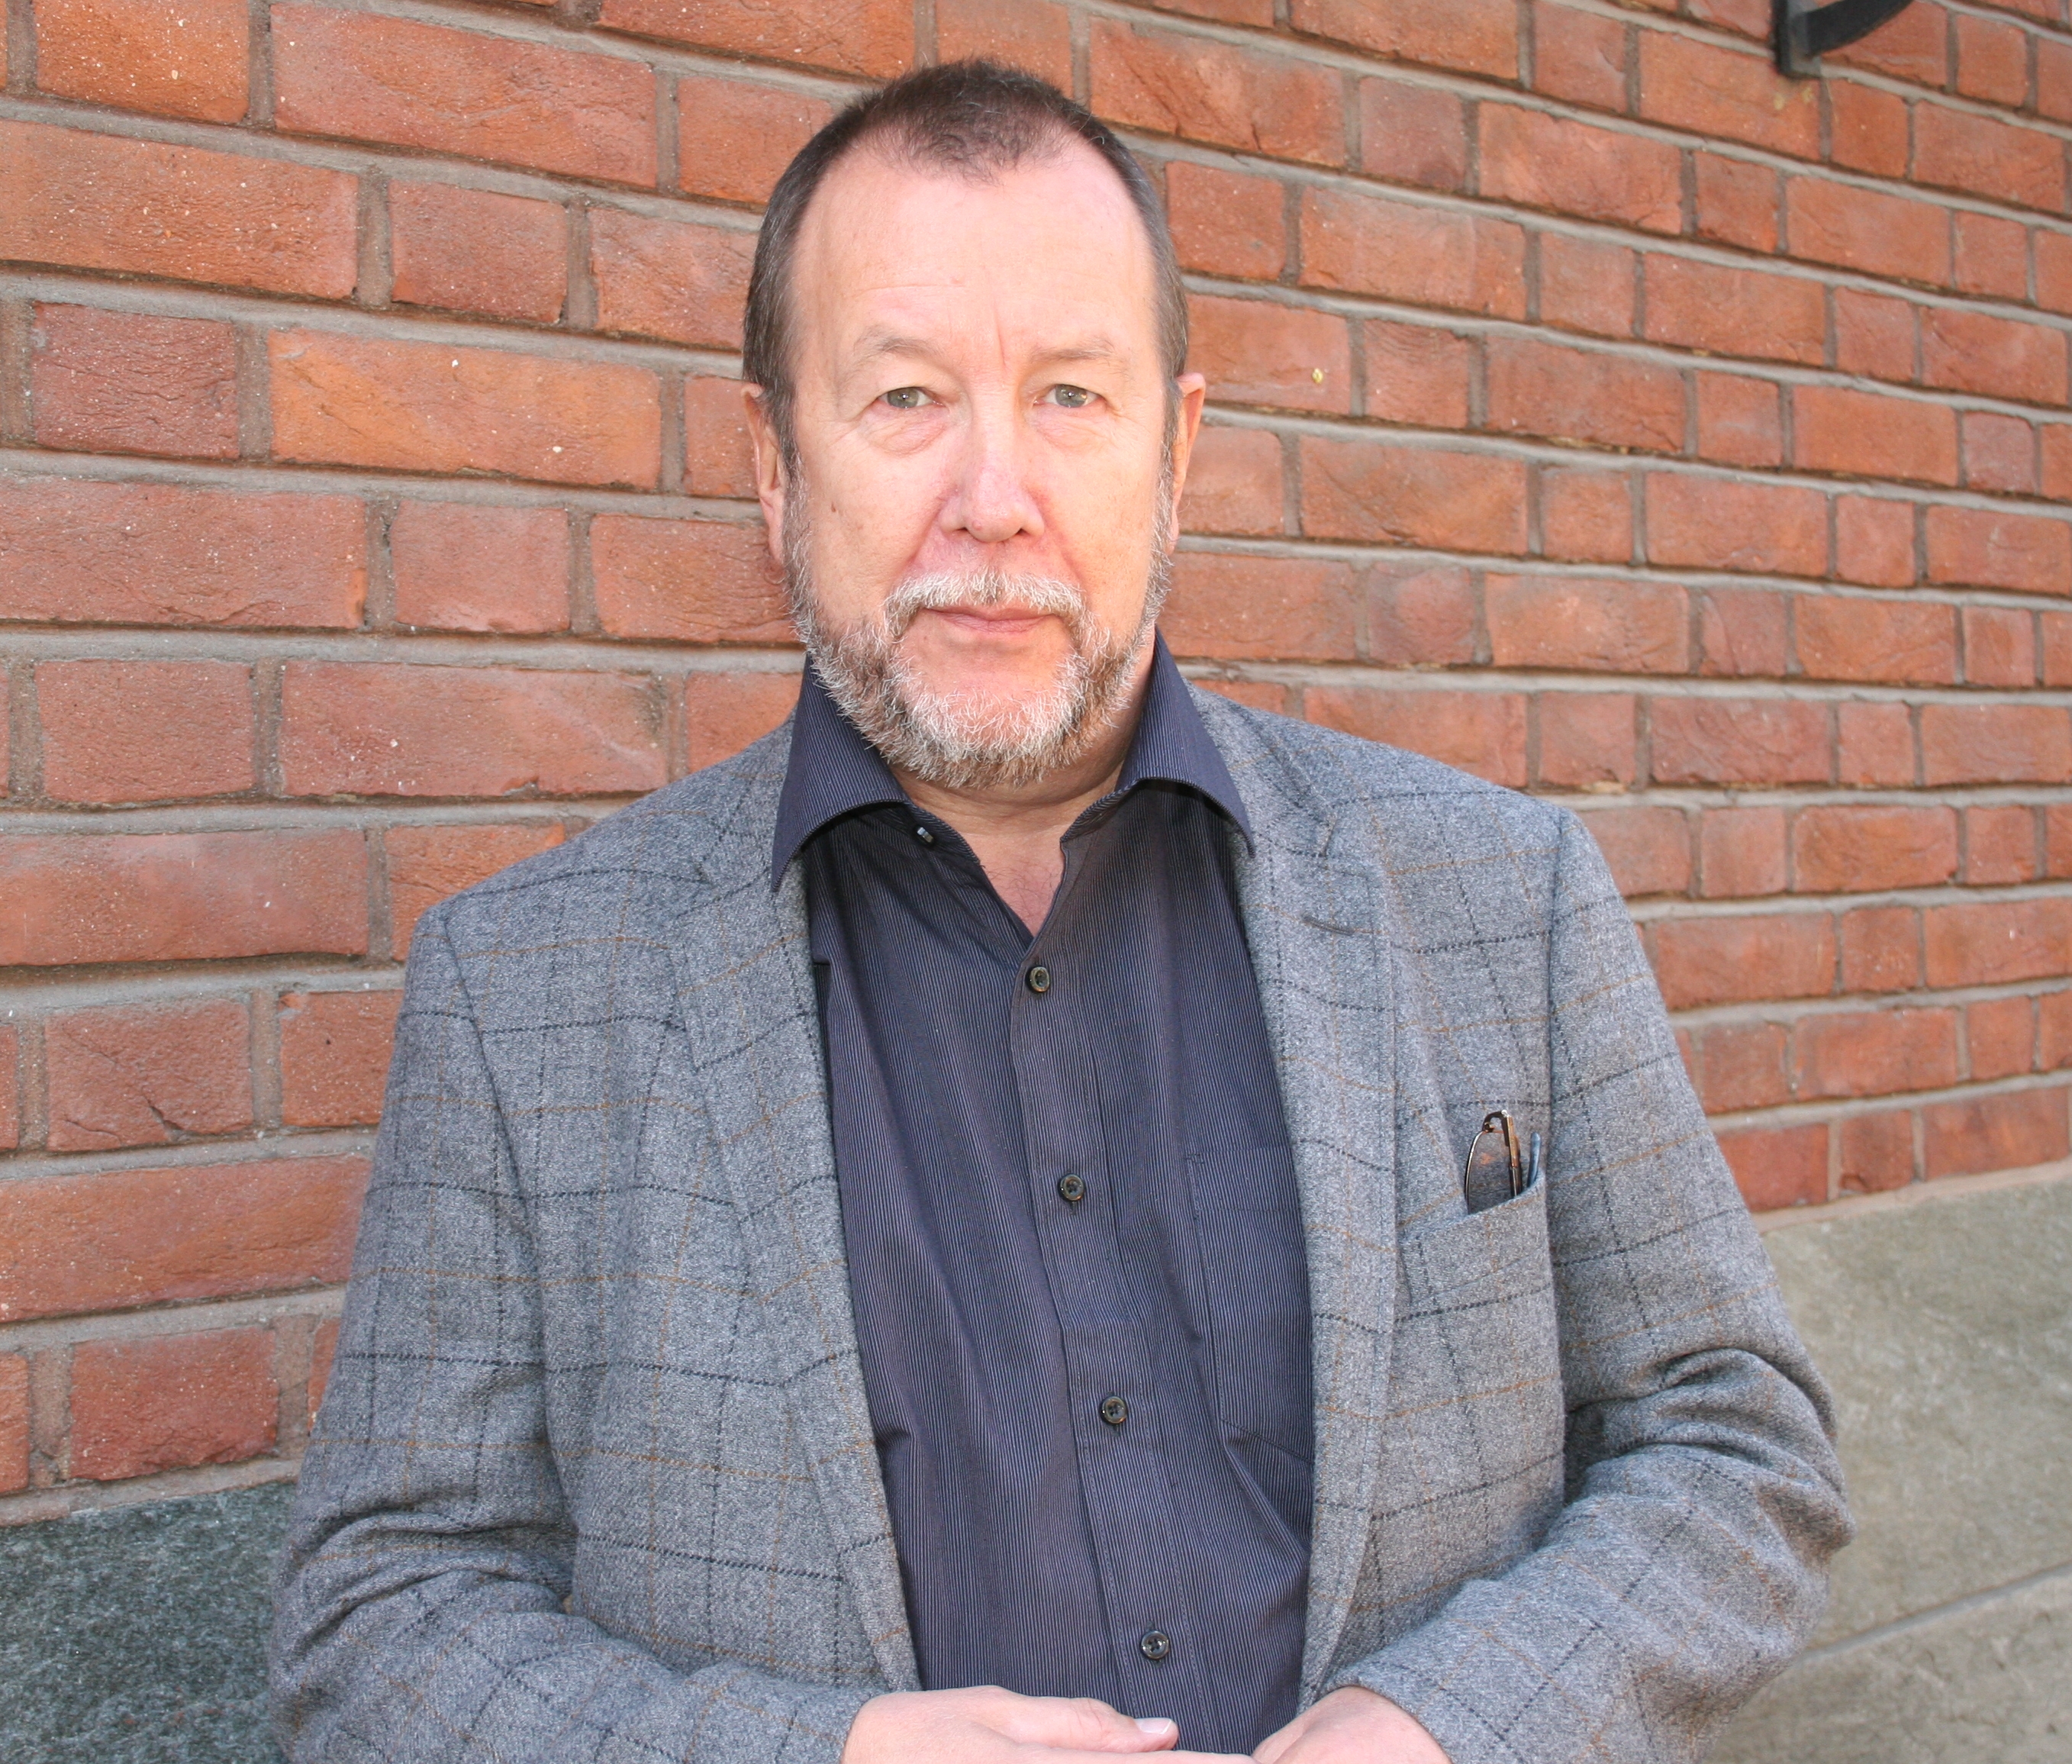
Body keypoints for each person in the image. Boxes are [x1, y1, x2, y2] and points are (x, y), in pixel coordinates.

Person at [271, 60, 1851, 1764]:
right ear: (772, 463)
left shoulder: (1500, 896)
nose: (993, 495)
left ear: (1176, 455)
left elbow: (1732, 1440)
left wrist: (1448, 1725)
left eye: (1072, 396)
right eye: (904, 397)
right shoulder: (524, 993)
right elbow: (376, 1622)